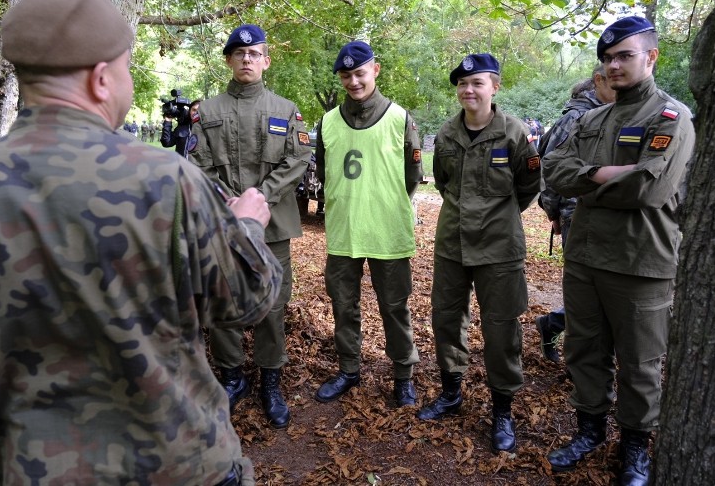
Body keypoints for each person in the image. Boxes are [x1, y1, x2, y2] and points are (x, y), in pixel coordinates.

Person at [0, 0, 282, 486]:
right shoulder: (168, 181)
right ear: (101, 79)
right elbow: (248, 301)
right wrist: (248, 223)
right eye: (126, 69)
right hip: (177, 465)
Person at [542, 16, 695, 486]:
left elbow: (649, 188)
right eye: (607, 58)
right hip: (586, 258)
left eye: (624, 55)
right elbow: (554, 169)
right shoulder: (591, 119)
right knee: (584, 351)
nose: (612, 65)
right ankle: (589, 429)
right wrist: (602, 175)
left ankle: (634, 448)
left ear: (651, 57)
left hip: (640, 263)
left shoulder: (672, 117)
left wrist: (586, 178)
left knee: (640, 363)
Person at [416, 54, 540, 454]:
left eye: (478, 83)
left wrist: (497, 216)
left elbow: (528, 186)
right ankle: (452, 393)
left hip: (500, 248)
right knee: (447, 320)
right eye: (463, 84)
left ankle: (502, 409)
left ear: (495, 87)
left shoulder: (515, 134)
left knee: (502, 329)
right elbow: (445, 181)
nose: (469, 90)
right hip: (453, 243)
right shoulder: (448, 133)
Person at [189, 24, 310, 429]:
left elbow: (296, 160)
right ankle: (232, 377)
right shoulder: (207, 112)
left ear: (266, 61)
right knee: (221, 299)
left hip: (271, 225)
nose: (247, 60)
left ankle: (270, 381)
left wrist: (259, 197)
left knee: (273, 303)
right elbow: (198, 165)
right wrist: (231, 203)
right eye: (240, 54)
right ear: (228, 60)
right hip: (221, 223)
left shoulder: (286, 109)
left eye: (255, 54)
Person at [313, 41, 422, 407]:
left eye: (359, 73)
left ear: (375, 70)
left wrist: (383, 202)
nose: (353, 81)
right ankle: (348, 368)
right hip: (344, 230)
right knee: (343, 305)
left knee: (395, 306)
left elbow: (412, 176)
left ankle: (403, 375)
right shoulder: (327, 121)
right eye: (346, 75)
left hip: (387, 230)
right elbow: (326, 171)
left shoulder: (399, 118)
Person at [534, 64, 616, 363]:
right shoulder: (576, 119)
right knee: (588, 292)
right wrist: (553, 211)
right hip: (576, 214)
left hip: (600, 216)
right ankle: (579, 358)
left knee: (601, 292)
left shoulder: (610, 113)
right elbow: (552, 167)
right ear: (597, 83)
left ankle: (558, 325)